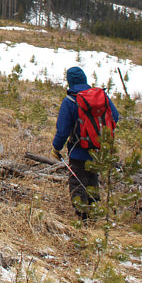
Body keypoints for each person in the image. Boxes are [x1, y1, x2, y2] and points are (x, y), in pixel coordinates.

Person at [51, 66, 119, 219]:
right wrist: (101, 136)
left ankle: (82, 218)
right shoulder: (101, 97)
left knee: (77, 182)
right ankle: (93, 212)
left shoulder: (70, 101)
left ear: (69, 82)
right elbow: (115, 116)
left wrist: (56, 148)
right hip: (98, 150)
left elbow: (63, 130)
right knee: (92, 180)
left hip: (78, 150)